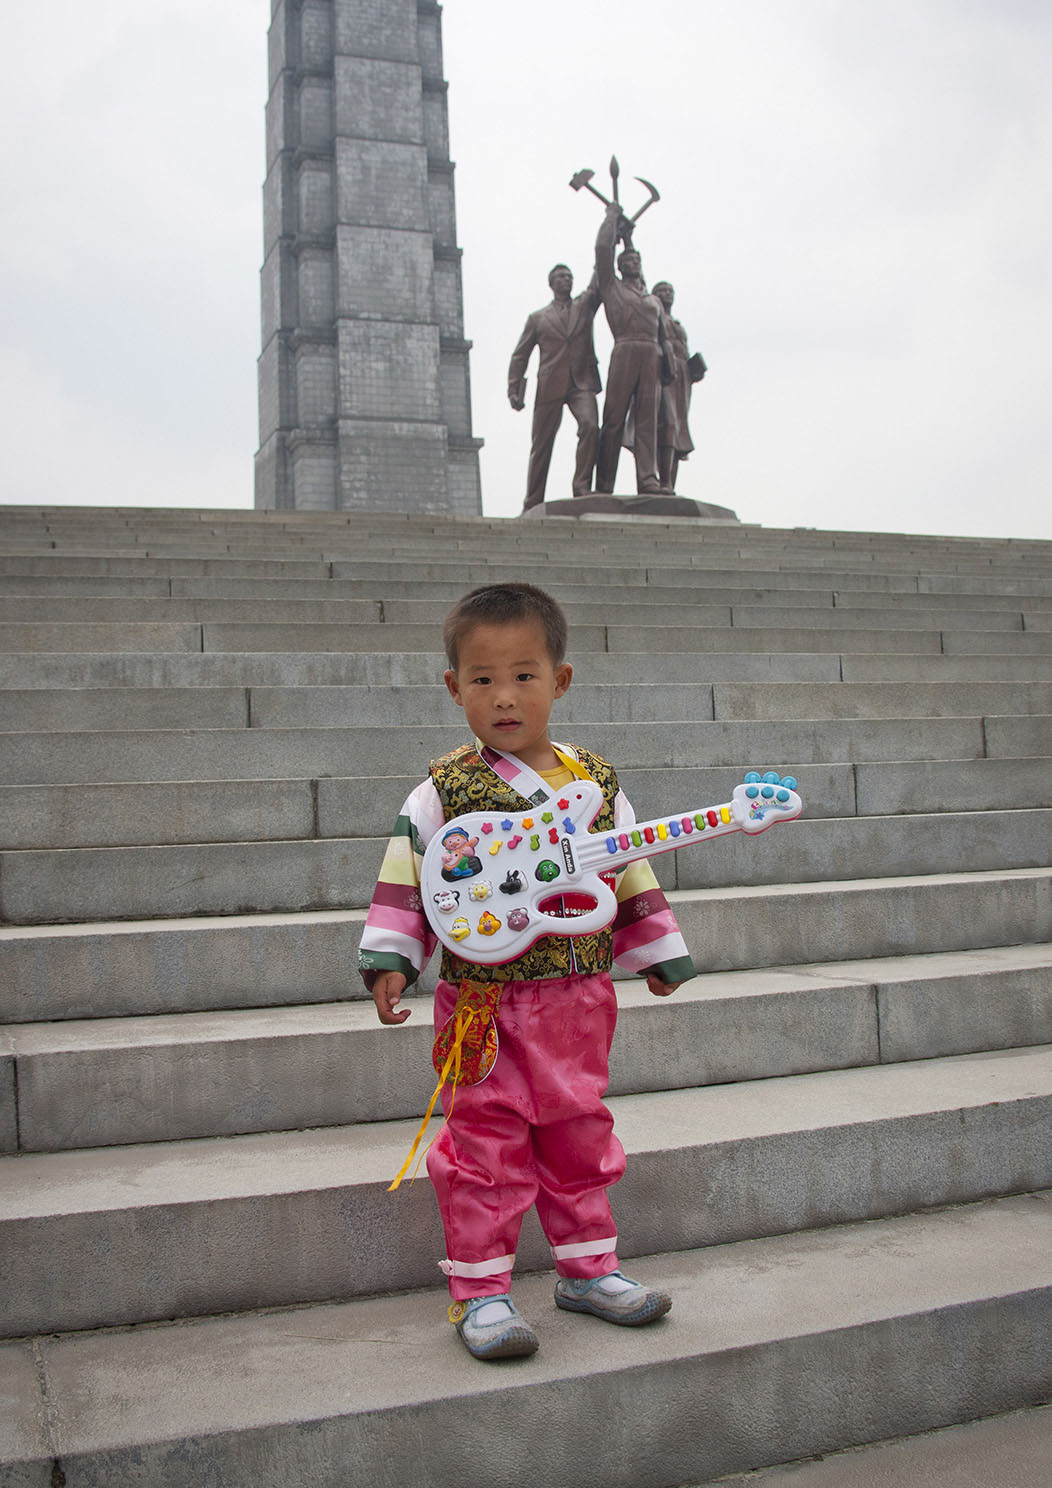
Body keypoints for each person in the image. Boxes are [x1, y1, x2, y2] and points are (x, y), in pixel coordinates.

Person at [359, 582, 696, 1361]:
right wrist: (393, 957)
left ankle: (589, 1269)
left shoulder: (597, 784)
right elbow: (408, 877)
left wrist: (653, 946)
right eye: (482, 679)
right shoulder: (442, 790)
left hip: (578, 997)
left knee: (580, 1131)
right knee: (485, 1142)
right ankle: (482, 1291)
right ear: (454, 689)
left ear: (561, 680)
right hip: (482, 1002)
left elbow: (629, 867)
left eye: (523, 675)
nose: (504, 696)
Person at [594, 201, 674, 495]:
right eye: (627, 260)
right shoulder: (612, 287)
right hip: (625, 349)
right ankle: (604, 484)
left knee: (647, 420)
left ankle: (647, 479)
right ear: (619, 266)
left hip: (651, 355)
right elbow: (602, 252)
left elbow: (663, 333)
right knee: (613, 419)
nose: (633, 262)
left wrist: (668, 361)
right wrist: (610, 220)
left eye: (636, 259)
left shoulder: (651, 299)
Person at [507, 264, 602, 511]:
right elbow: (520, 355)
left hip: (581, 381)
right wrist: (514, 388)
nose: (566, 280)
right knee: (542, 444)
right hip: (550, 383)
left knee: (591, 426)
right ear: (551, 283)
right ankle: (533, 500)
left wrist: (612, 237)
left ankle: (581, 487)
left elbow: (599, 277)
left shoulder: (584, 306)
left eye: (570, 276)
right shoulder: (538, 318)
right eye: (561, 277)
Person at [652, 281, 706, 492]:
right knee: (668, 424)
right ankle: (662, 481)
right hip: (663, 374)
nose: (667, 294)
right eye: (662, 291)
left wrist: (695, 370)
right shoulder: (654, 319)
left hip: (683, 378)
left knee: (678, 431)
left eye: (670, 291)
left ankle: (669, 484)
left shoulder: (677, 323)